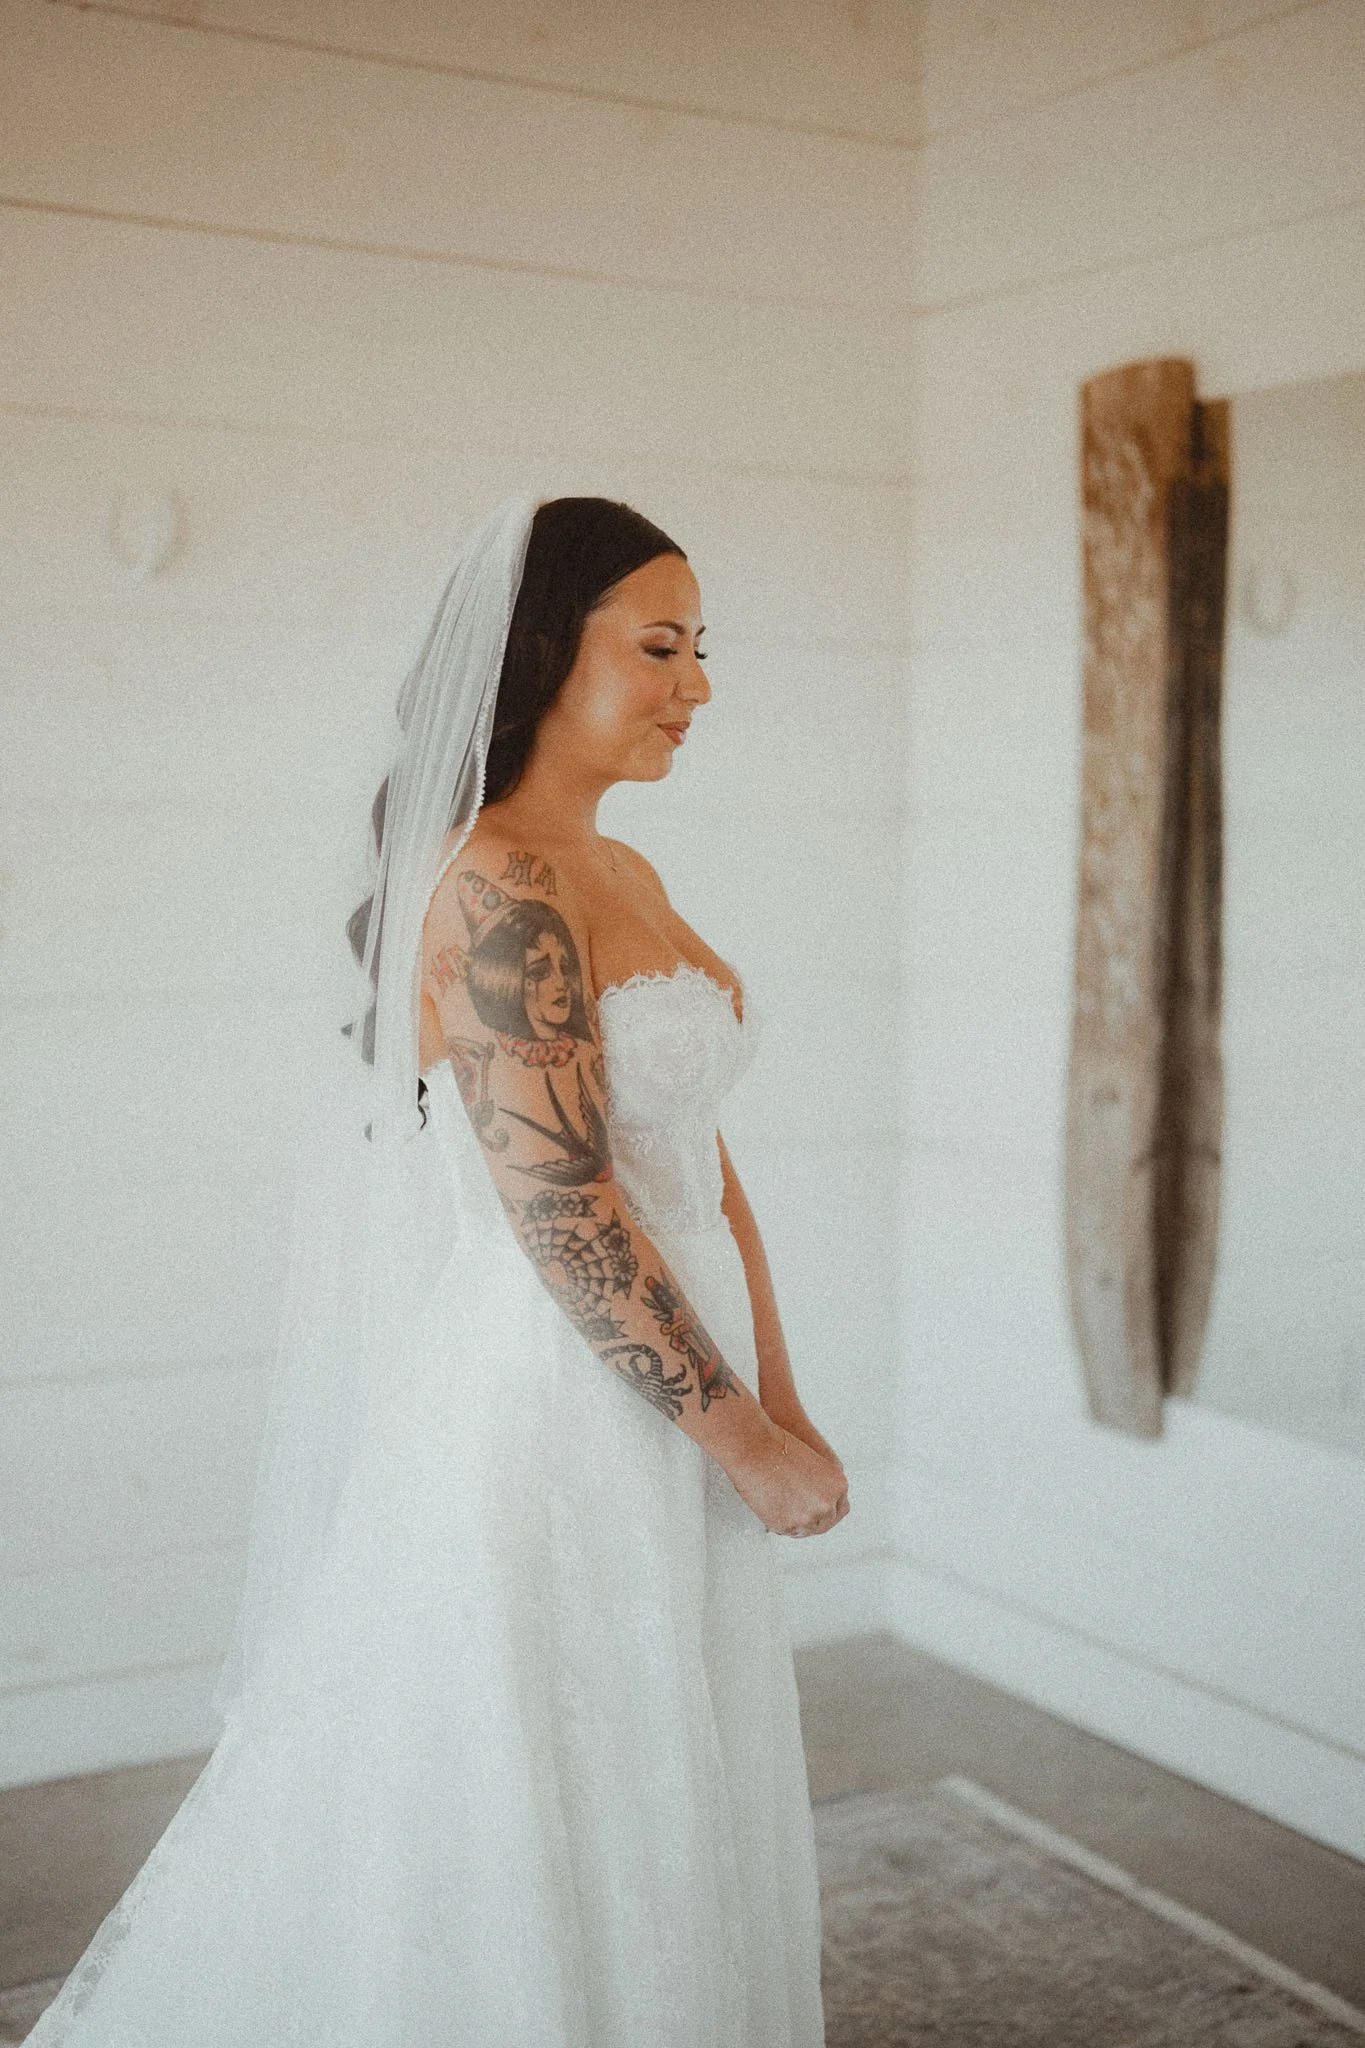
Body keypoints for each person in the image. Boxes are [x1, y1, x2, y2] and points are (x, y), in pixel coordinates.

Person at [22, 492, 848, 2047]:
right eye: (661, 647)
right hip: (560, 1405)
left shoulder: (625, 873)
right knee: (552, 1776)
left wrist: (782, 1402)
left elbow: (703, 1168)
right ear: (546, 656)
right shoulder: (498, 888)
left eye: (702, 649)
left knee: (671, 1755)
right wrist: (737, 1431)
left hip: (685, 1387)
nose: (699, 687)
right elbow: (563, 1209)